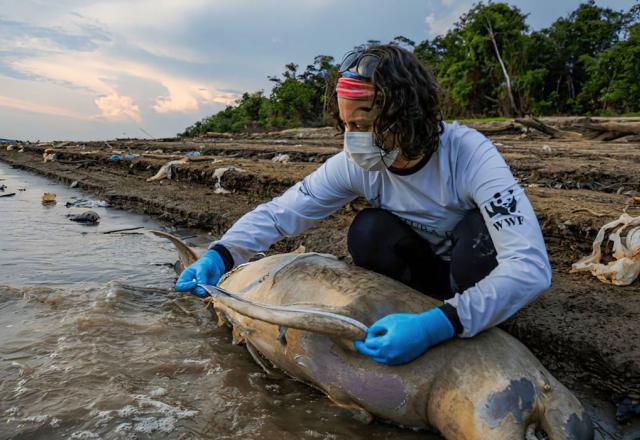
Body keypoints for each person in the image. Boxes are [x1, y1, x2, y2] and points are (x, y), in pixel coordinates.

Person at [176, 45, 551, 366]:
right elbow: (283, 213)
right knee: (368, 229)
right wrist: (221, 254)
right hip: (421, 273)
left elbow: (530, 267)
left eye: (365, 124)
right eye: (346, 126)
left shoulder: (469, 155)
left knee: (480, 235)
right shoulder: (356, 163)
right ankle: (412, 312)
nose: (355, 140)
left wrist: (439, 325)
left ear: (408, 114)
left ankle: (458, 316)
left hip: (469, 272)